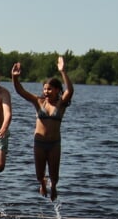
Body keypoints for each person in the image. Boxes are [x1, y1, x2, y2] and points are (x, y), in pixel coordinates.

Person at [11, 56, 75, 200]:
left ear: (57, 90)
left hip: (54, 144)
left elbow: (70, 90)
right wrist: (15, 78)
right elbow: (21, 91)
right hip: (39, 143)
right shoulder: (38, 102)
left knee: (54, 175)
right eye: (45, 89)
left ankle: (53, 186)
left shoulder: (61, 103)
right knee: (39, 174)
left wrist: (63, 71)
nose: (46, 92)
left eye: (50, 89)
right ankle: (42, 183)